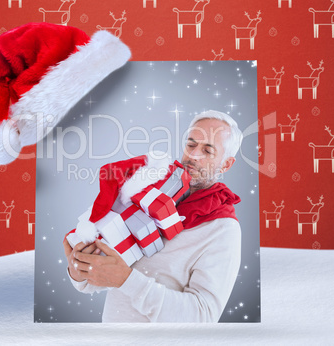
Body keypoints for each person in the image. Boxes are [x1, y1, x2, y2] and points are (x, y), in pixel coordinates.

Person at [63, 110, 243, 322]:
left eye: (208, 150)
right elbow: (99, 276)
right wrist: (80, 266)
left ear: (226, 164)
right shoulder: (148, 190)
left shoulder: (222, 228)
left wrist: (127, 281)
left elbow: (203, 316)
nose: (194, 156)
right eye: (191, 145)